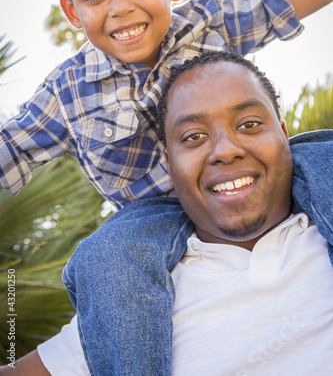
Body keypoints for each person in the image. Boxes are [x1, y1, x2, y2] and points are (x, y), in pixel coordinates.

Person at [1, 0, 333, 374]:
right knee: (106, 255)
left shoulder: (208, 23)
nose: (120, 7)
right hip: (153, 216)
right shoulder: (66, 92)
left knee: (325, 160)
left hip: (255, 175)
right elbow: (10, 148)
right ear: (71, 10)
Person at [3, 51, 332, 375]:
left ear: (284, 137)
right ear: (169, 166)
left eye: (248, 124)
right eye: (194, 137)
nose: (226, 149)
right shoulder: (127, 301)